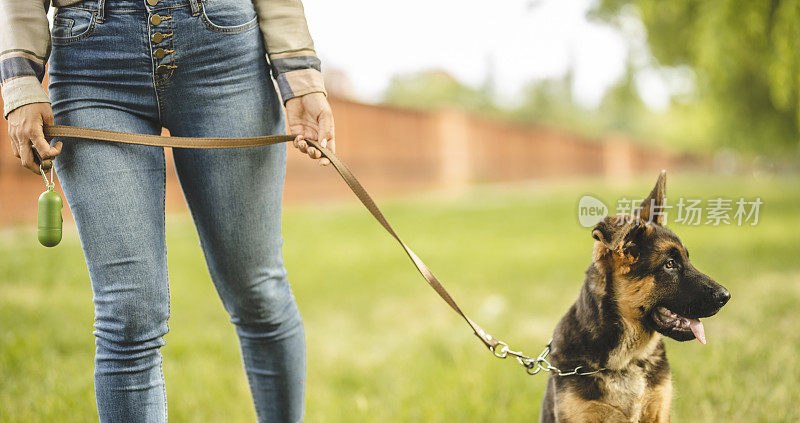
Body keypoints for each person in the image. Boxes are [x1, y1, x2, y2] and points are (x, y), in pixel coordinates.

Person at [1, 0, 333, 421]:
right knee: (129, 315)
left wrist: (300, 74)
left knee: (259, 293)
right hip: (93, 63)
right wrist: (20, 82)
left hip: (224, 52)